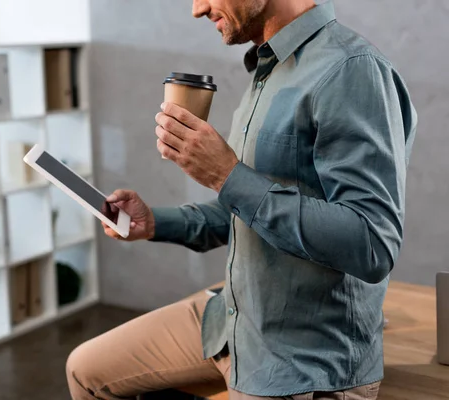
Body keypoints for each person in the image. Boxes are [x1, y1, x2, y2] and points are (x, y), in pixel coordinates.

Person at [66, 0, 417, 398]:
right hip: (233, 322)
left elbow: (371, 245)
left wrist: (226, 175)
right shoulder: (269, 69)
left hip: (302, 362)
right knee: (85, 370)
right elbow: (242, 207)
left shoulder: (350, 70)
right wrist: (154, 222)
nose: (197, 9)